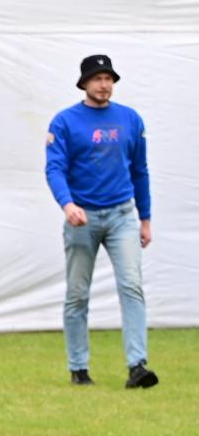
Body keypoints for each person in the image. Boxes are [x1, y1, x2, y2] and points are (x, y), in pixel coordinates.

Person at [45, 54, 157, 389]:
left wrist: (145, 219)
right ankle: (79, 368)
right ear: (84, 83)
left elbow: (140, 171)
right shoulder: (64, 122)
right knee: (78, 294)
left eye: (109, 78)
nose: (104, 84)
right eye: (97, 78)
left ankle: (137, 366)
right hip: (82, 218)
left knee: (132, 286)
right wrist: (67, 204)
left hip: (122, 215)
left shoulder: (130, 119)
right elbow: (54, 168)